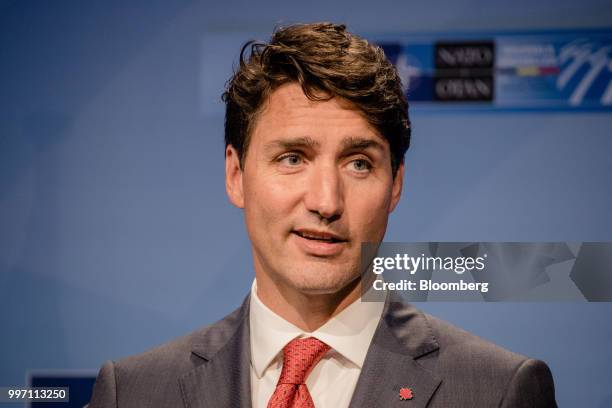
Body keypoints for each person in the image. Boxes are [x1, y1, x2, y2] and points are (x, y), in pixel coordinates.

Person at [88, 22, 556, 407]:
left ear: (395, 186)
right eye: (292, 158)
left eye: (359, 164)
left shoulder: (498, 391)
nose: (326, 202)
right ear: (236, 175)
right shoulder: (132, 392)